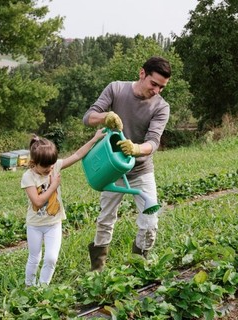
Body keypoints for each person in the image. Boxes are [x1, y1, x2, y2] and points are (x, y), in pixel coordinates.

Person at [83, 56, 172, 271]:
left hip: (141, 169)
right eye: (154, 84)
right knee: (105, 218)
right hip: (112, 167)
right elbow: (88, 117)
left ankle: (138, 267)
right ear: (142, 74)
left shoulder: (161, 107)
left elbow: (153, 142)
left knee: (150, 222)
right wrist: (107, 117)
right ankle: (98, 270)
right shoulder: (116, 89)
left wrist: (135, 149)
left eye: (162, 87)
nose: (157, 90)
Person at [21, 129, 105, 286]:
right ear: (34, 163)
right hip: (35, 225)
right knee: (35, 257)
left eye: (52, 165)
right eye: (45, 166)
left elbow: (77, 155)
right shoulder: (28, 177)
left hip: (54, 223)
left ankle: (42, 287)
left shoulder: (55, 166)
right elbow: (38, 202)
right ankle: (29, 286)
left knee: (51, 258)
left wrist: (94, 139)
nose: (50, 169)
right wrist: (53, 186)